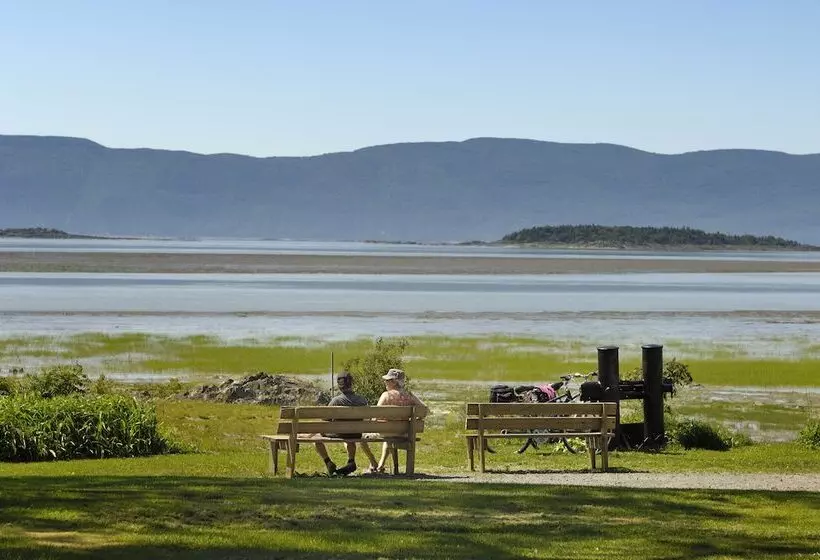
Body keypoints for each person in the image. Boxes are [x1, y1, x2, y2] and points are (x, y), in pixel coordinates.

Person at [314, 371, 379, 476]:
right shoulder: (362, 400)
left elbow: (326, 418)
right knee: (349, 435)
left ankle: (328, 462)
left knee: (316, 437)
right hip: (356, 433)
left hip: (340, 433)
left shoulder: (336, 401)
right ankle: (351, 461)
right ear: (351, 384)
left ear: (339, 386)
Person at [372, 368, 428, 473]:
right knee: (389, 436)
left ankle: (375, 464)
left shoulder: (386, 395)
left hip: (386, 431)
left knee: (383, 434)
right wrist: (417, 420)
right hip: (404, 433)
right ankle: (380, 465)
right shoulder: (409, 395)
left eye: (387, 380)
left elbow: (375, 415)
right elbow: (424, 410)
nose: (385, 382)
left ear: (394, 382)